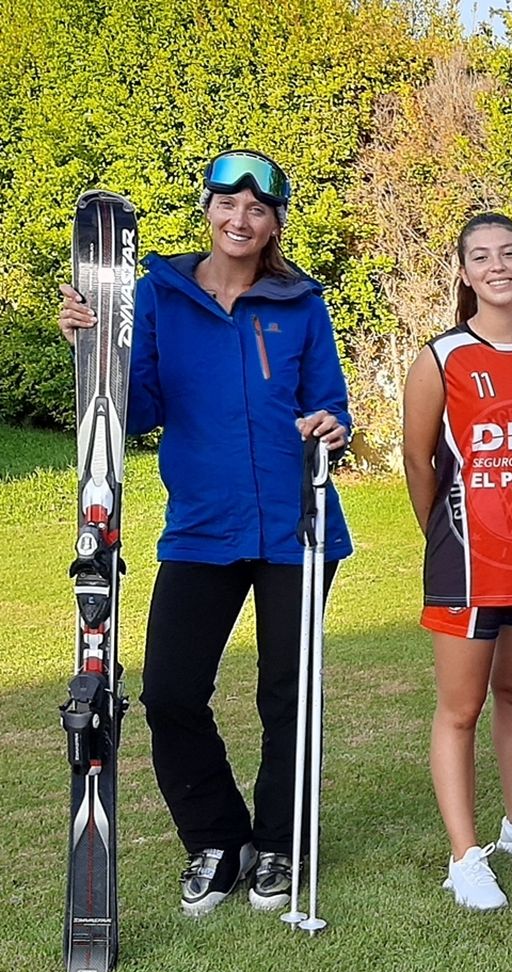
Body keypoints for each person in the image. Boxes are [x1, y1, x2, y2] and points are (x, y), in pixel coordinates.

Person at [56, 150, 351, 916]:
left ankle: (279, 843)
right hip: (201, 527)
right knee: (171, 691)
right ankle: (219, 839)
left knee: (288, 695)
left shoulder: (300, 304)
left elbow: (330, 405)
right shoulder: (160, 294)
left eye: (257, 209)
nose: (240, 219)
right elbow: (138, 407)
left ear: (274, 224)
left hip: (295, 527)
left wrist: (332, 427)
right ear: (208, 210)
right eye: (228, 204)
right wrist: (92, 349)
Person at [401, 213, 512, 910]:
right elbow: (419, 461)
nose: (497, 266)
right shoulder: (441, 357)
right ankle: (464, 856)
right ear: (465, 273)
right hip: (467, 566)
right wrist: (444, 533)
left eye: (509, 253)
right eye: (481, 256)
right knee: (460, 708)